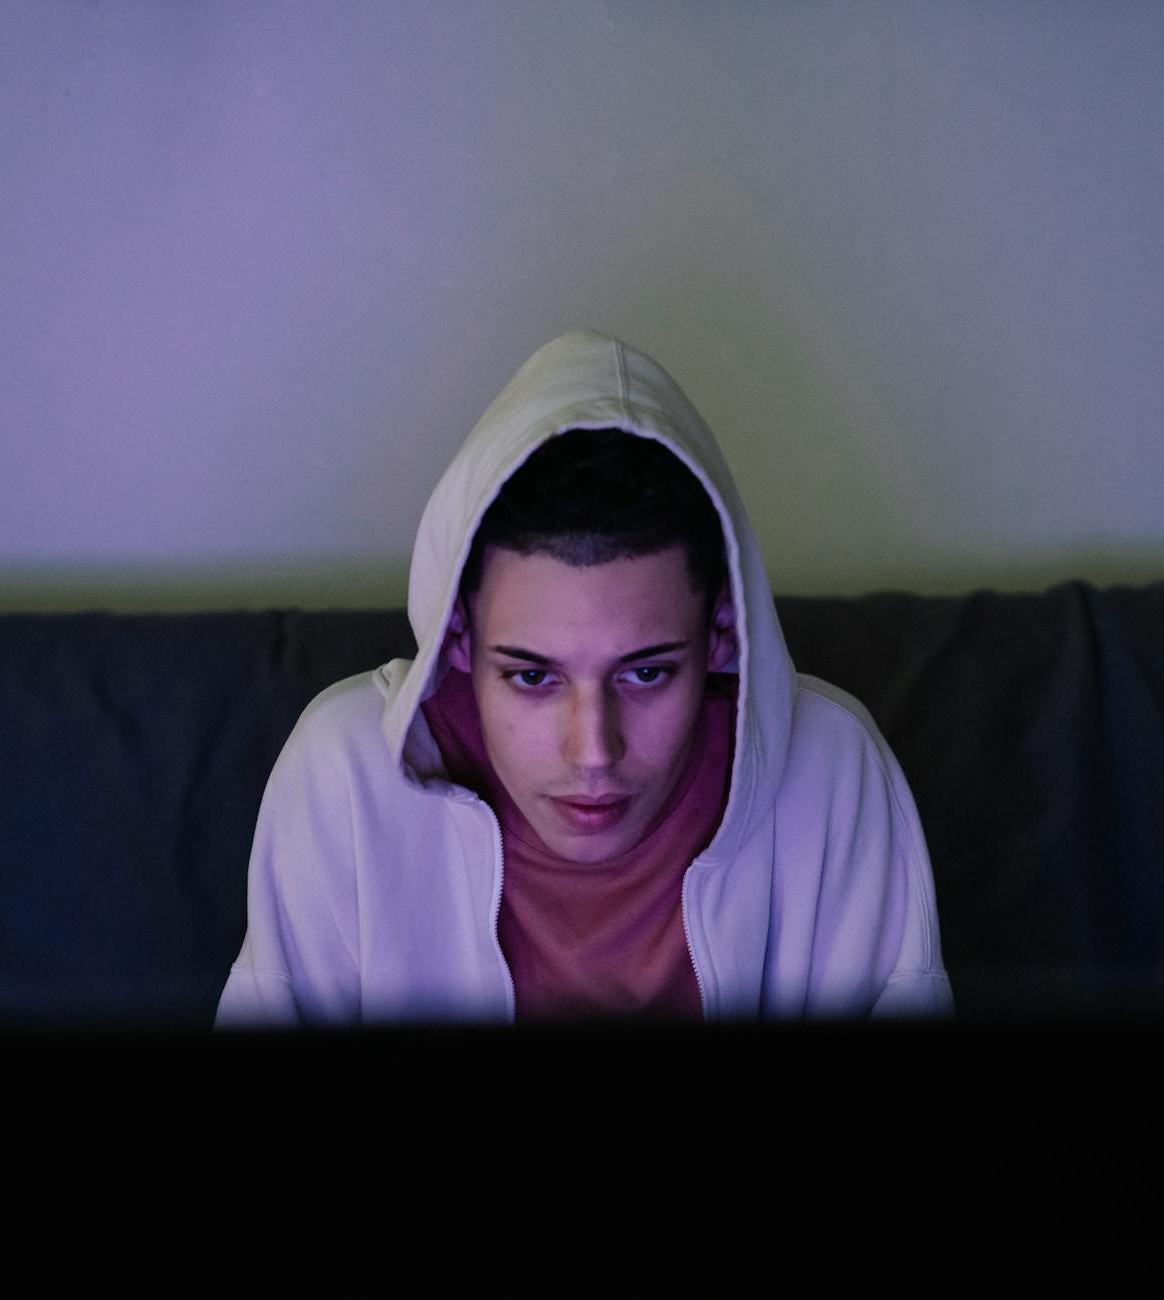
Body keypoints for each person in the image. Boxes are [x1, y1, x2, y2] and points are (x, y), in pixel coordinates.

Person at [215, 330, 950, 1024]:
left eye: (648, 673)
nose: (593, 751)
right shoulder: (345, 776)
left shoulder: (832, 774)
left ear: (724, 633)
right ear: (458, 634)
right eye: (533, 677)